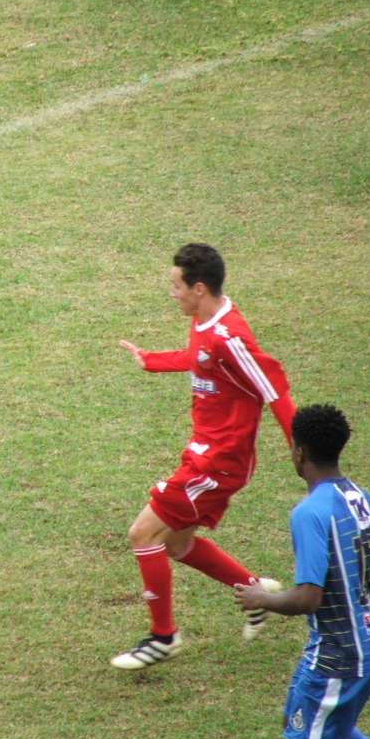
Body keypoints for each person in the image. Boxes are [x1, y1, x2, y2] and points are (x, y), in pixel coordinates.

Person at [111, 242, 296, 670]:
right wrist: (152, 361)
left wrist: (304, 454)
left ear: (198, 287)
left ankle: (163, 637)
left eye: (175, 286)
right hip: (204, 453)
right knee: (177, 543)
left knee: (143, 535)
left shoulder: (230, 337)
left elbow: (274, 391)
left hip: (219, 462)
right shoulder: (201, 320)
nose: (170, 293)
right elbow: (200, 360)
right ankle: (253, 591)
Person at [235, 404, 370, 739]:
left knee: (302, 736)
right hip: (368, 651)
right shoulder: (363, 500)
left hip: (335, 657)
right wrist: (359, 585)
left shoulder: (309, 513)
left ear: (299, 453)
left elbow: (307, 598)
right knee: (334, 732)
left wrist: (262, 598)